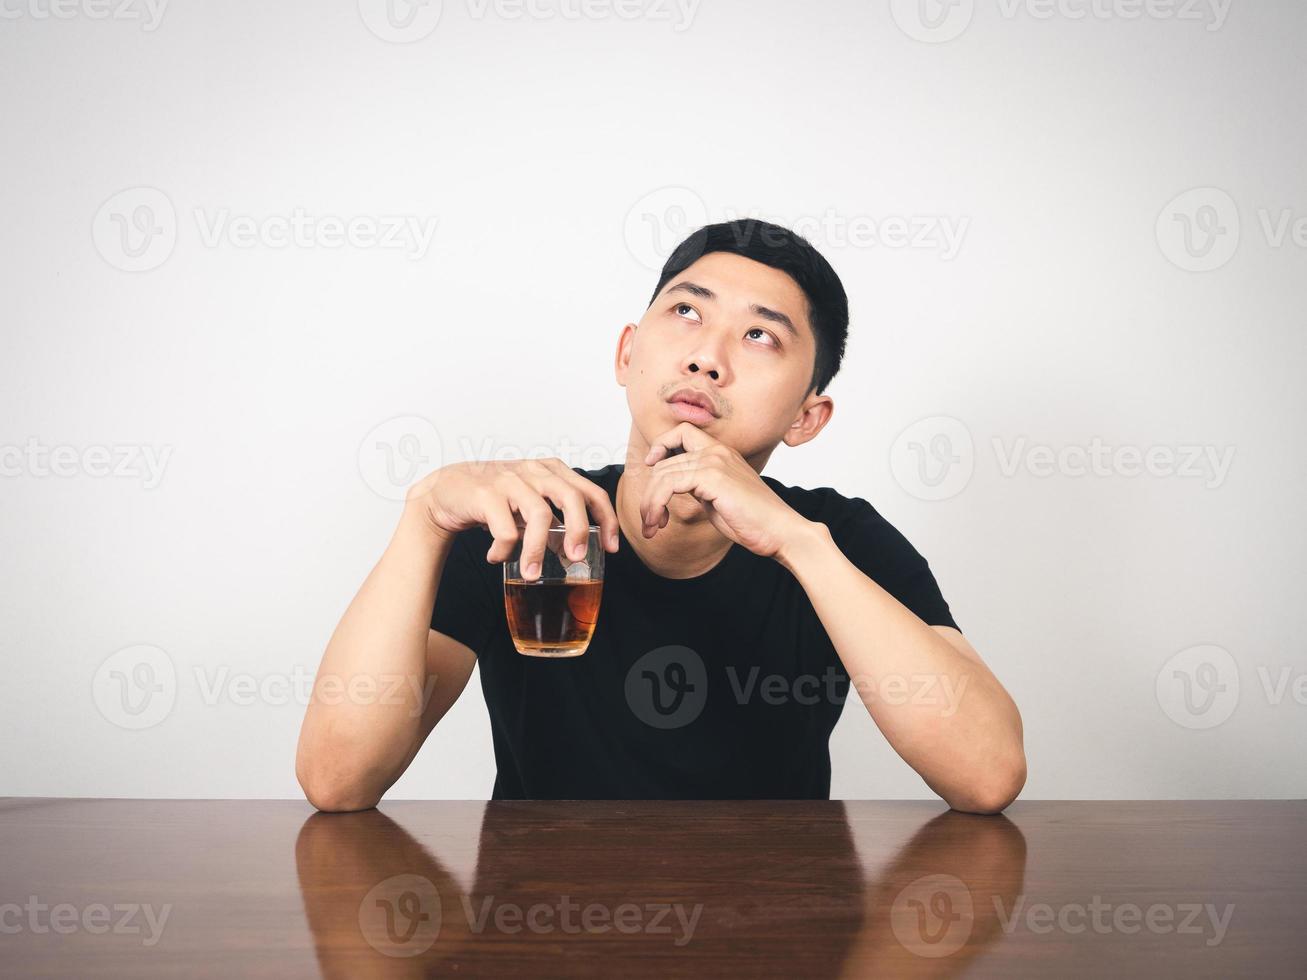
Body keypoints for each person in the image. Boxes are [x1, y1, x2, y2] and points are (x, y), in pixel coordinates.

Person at [295, 219, 1026, 812]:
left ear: (808, 417)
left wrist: (795, 544)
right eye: (684, 311)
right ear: (627, 351)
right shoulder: (529, 523)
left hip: (776, 940)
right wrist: (424, 518)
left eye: (760, 335)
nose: (707, 357)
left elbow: (986, 775)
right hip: (537, 937)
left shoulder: (837, 540)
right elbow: (338, 780)